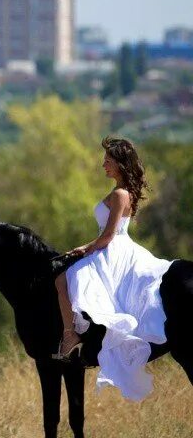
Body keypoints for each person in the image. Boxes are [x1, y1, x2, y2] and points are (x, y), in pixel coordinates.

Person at [54, 136, 173, 401]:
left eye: (108, 160)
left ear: (120, 164)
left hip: (114, 250)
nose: (103, 164)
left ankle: (70, 334)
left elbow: (109, 236)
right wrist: (87, 246)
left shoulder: (120, 194)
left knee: (63, 279)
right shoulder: (120, 191)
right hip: (111, 246)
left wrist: (85, 249)